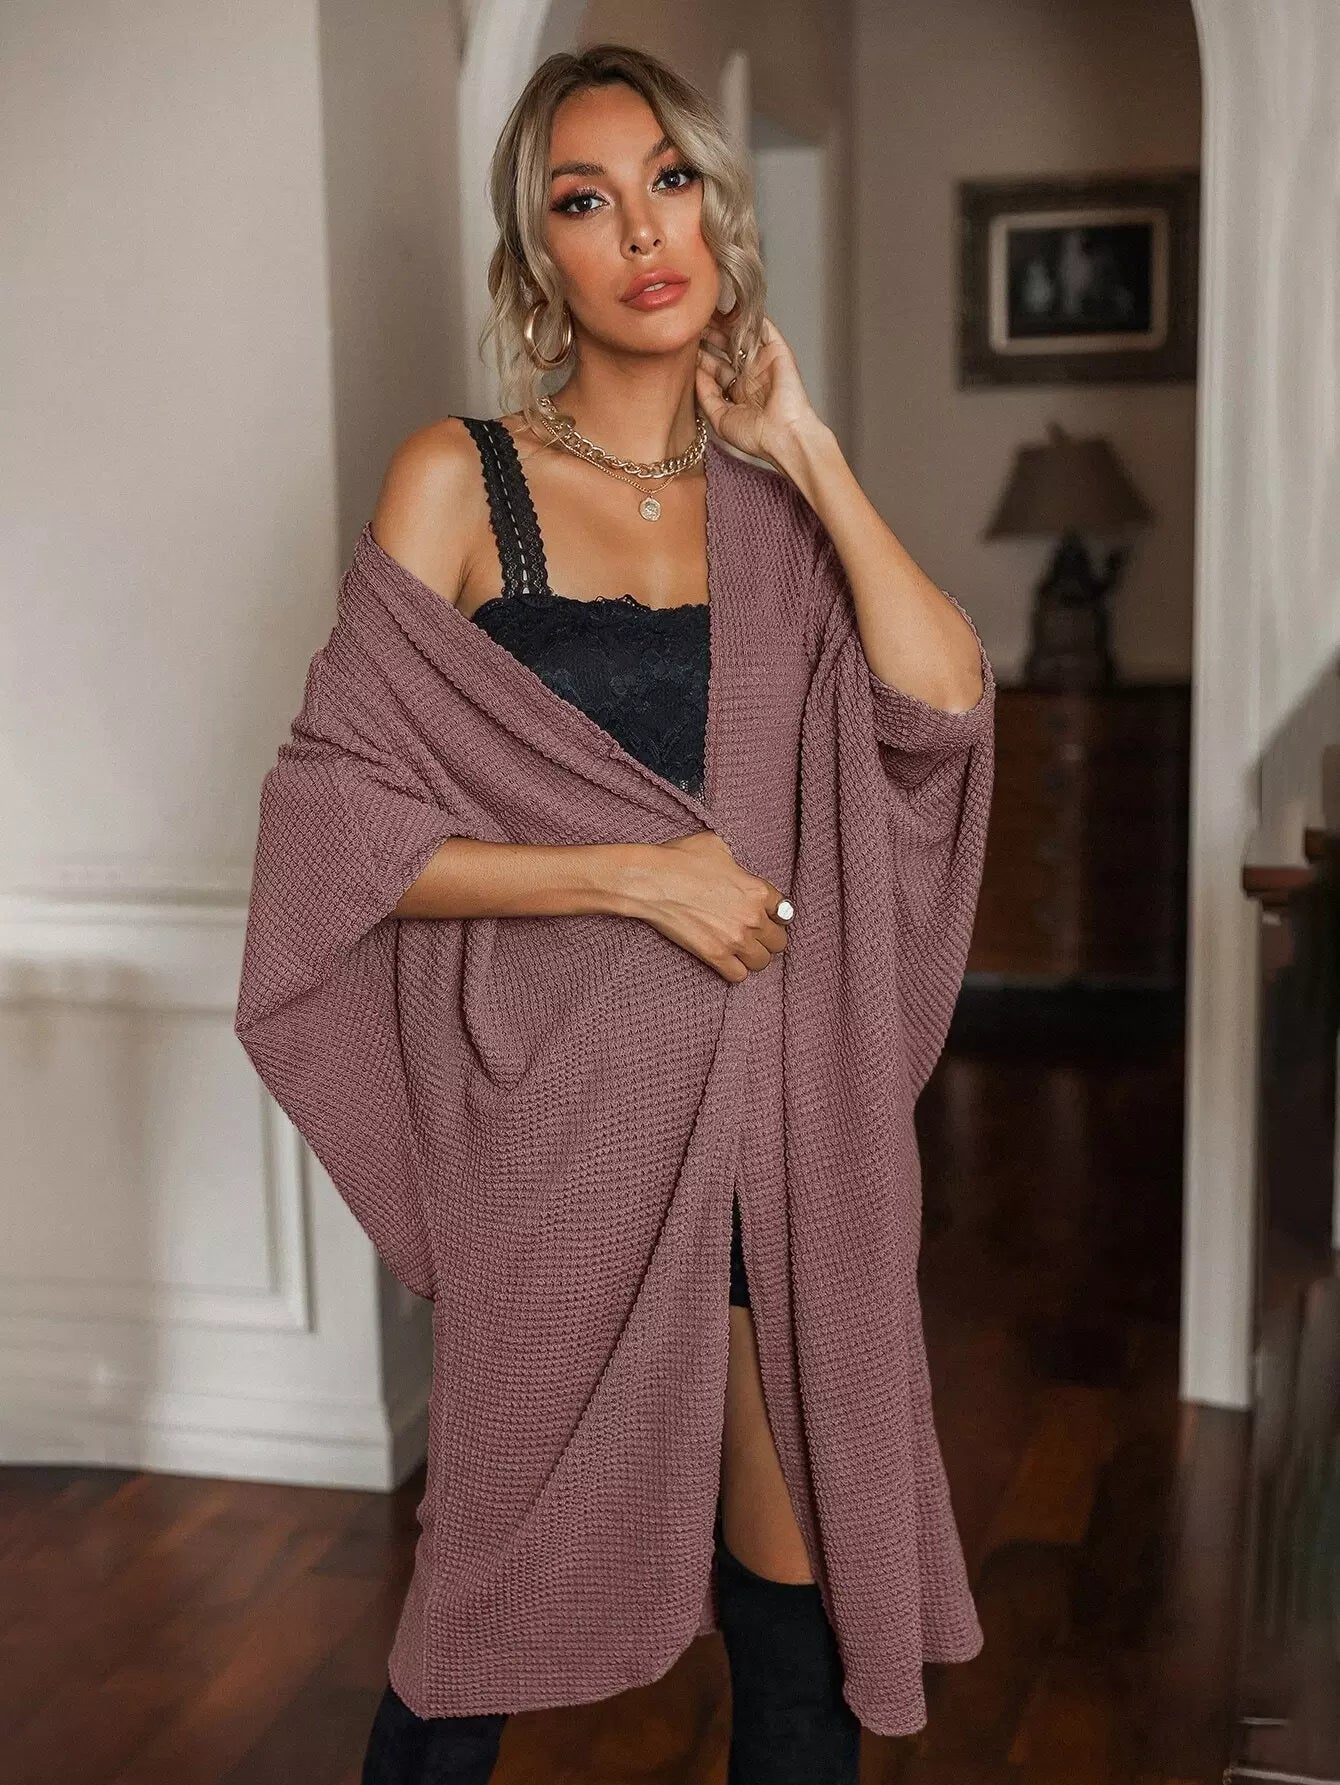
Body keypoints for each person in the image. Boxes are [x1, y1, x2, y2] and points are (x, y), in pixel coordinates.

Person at [238, 41, 991, 1785]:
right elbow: (334, 834)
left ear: (717, 212)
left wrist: (806, 444)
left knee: (799, 1619)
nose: (642, 232)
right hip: (559, 1135)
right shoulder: (463, 479)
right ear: (539, 254)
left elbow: (943, 708)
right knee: (473, 1627)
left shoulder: (780, 518)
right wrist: (631, 874)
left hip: (778, 1130)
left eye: (669, 183)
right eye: (586, 200)